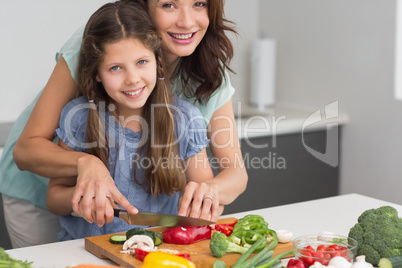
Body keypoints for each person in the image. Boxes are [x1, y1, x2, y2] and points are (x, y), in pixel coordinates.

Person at [0, 0, 248, 248]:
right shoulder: (105, 36)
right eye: (168, 5)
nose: (186, 21)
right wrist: (85, 167)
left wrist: (209, 193)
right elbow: (34, 162)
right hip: (42, 191)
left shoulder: (194, 99)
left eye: (199, 3)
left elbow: (232, 174)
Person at [46, 0, 215, 240]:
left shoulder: (186, 120)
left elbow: (206, 197)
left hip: (155, 254)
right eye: (115, 68)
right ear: (96, 73)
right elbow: (54, 198)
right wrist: (82, 199)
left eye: (142, 62)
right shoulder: (79, 117)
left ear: (157, 61)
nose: (133, 79)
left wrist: (204, 201)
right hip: (83, 249)